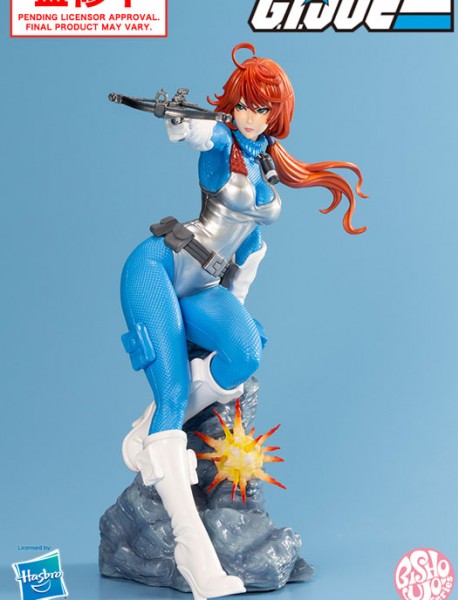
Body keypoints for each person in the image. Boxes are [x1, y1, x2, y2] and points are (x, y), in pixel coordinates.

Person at [119, 42, 366, 600]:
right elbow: (198, 134)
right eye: (245, 105)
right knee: (175, 390)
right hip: (159, 268)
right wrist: (182, 123)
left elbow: (248, 256)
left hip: (206, 286)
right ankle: (196, 557)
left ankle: (151, 428)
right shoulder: (222, 143)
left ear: (277, 114)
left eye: (263, 108)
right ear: (232, 105)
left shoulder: (265, 164)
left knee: (247, 351)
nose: (251, 116)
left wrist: (232, 316)